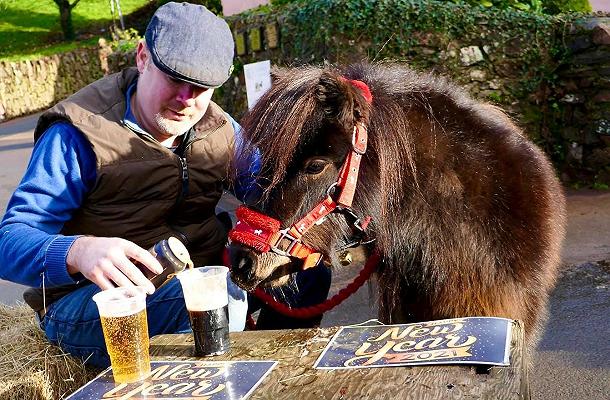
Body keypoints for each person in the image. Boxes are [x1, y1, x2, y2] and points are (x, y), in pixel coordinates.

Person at [0, 2, 251, 368]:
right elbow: (9, 243)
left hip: (199, 278)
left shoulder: (220, 127)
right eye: (174, 78)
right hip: (93, 303)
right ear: (143, 56)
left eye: (200, 87)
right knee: (214, 299)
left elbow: (270, 187)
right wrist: (79, 252)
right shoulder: (77, 133)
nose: (185, 99)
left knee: (301, 275)